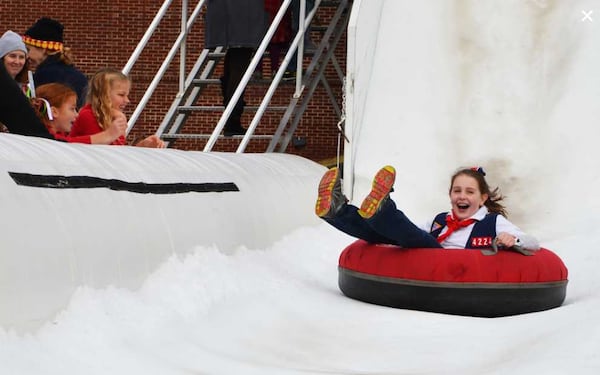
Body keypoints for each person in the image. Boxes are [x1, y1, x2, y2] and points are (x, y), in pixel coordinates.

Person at [315, 165, 540, 251]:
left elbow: (533, 243)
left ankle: (383, 209)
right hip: (424, 258)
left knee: (419, 240)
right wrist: (389, 231)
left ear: (482, 199)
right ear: (450, 195)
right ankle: (338, 211)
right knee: (387, 233)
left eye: (469, 192)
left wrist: (511, 239)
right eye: (457, 191)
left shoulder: (492, 222)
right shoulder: (440, 220)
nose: (462, 196)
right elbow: (408, 232)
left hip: (449, 263)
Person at [205, 0, 268, 136]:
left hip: (228, 13)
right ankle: (232, 117)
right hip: (244, 16)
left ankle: (231, 118)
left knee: (234, 61)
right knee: (239, 66)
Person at [70, 67, 165, 148]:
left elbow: (119, 151)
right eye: (121, 95)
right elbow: (101, 153)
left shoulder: (111, 118)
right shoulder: (88, 115)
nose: (127, 100)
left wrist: (143, 146)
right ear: (104, 95)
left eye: (127, 95)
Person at [22, 17, 88, 109]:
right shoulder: (76, 74)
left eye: (28, 49)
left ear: (43, 48)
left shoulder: (44, 75)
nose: (27, 56)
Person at [32, 83, 125, 144]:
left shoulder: (58, 134)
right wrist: (108, 135)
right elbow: (68, 143)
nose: (76, 115)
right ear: (54, 112)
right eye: (72, 109)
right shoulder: (45, 138)